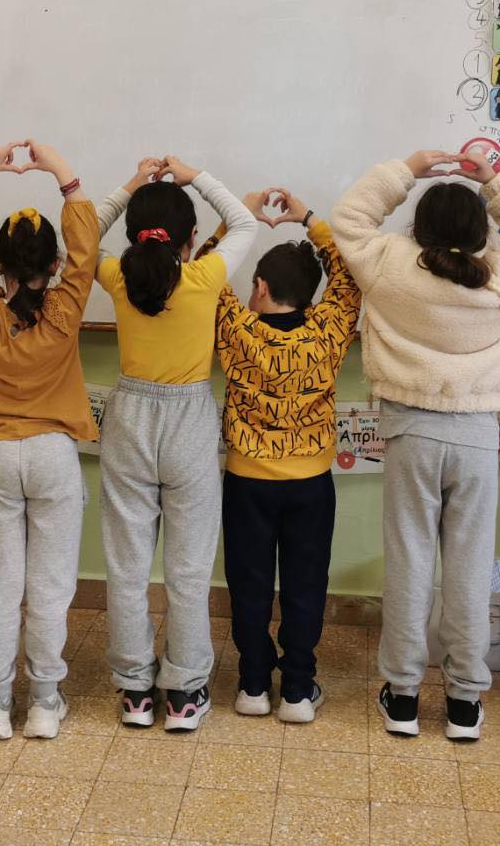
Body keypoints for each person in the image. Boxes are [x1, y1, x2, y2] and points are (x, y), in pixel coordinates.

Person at [332, 149, 500, 740]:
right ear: (483, 231)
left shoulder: (390, 264)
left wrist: (404, 168)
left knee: (409, 564)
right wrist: (495, 180)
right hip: (477, 437)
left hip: (411, 433)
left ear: (418, 227)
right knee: (469, 569)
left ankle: (404, 695)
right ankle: (463, 702)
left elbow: (349, 217)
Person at [0, 139, 98, 741]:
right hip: (54, 454)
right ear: (54, 264)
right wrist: (61, 172)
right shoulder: (65, 310)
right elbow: (86, 250)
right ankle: (45, 704)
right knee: (50, 589)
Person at [95, 156, 259, 731]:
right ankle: (185, 694)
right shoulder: (205, 277)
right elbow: (245, 222)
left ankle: (136, 691)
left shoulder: (117, 278)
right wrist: (196, 178)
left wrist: (131, 183)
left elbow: (78, 236)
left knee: (126, 566)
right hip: (189, 419)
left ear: (131, 236)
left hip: (130, 418)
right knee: (188, 571)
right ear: (191, 238)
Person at [197, 187, 361, 722]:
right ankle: (297, 689)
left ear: (261, 288)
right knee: (305, 584)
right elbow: (348, 278)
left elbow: (202, 271)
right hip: (311, 483)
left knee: (248, 584)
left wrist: (234, 219)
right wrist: (309, 218)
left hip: (248, 482)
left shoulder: (236, 328)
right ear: (309, 296)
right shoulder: (327, 329)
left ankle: (252, 685)